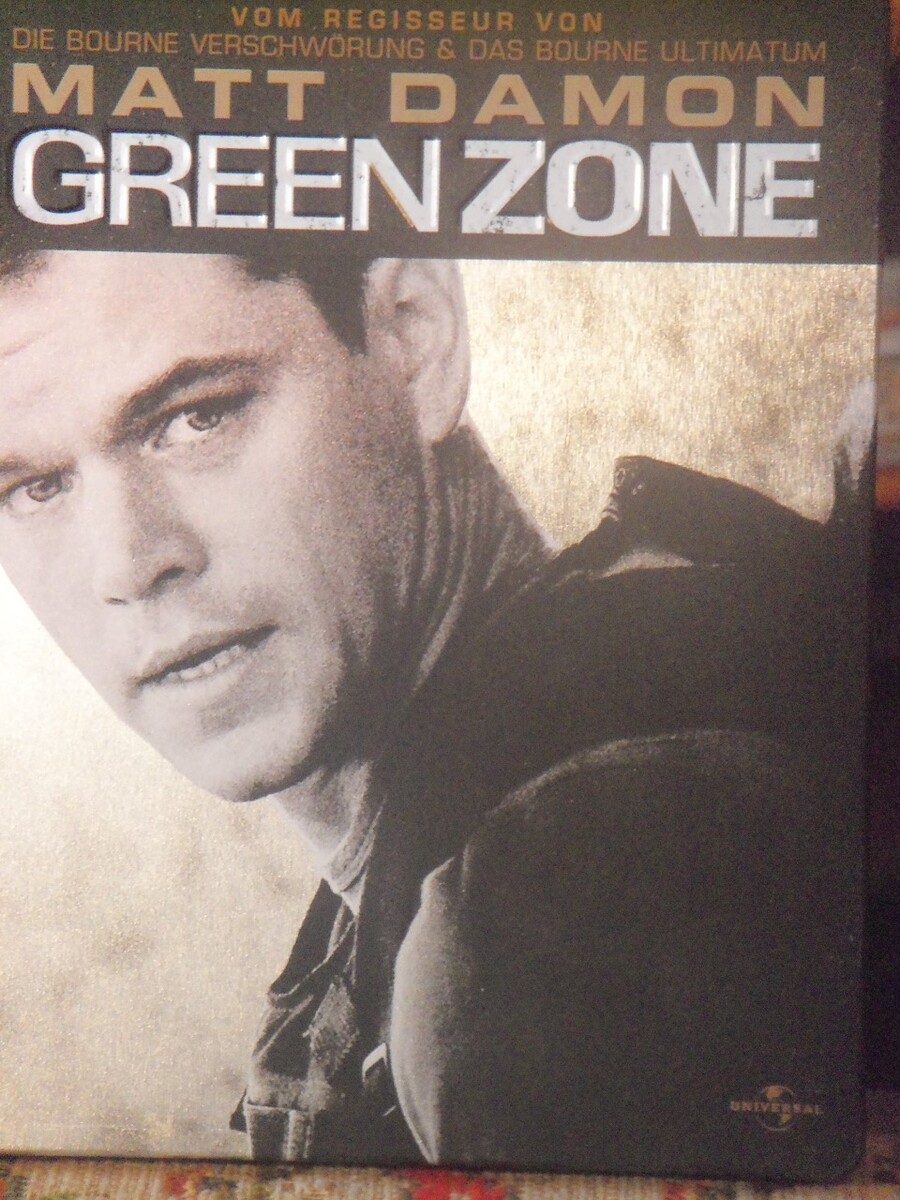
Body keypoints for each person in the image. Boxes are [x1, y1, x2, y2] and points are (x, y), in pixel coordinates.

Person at [0, 248, 864, 1176]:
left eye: (195, 418)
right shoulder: (458, 845)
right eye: (36, 487)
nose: (128, 564)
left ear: (416, 339)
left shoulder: (554, 900)